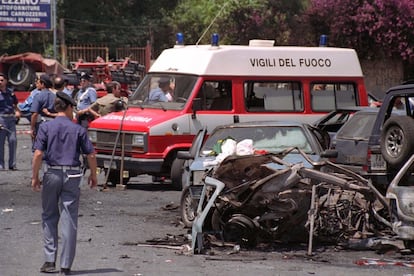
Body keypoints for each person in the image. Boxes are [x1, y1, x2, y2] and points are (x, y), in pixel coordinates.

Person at [31, 91, 97, 275]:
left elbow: (38, 154)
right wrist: (94, 175)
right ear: (68, 107)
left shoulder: (46, 127)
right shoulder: (78, 129)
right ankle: (66, 265)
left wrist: (35, 177)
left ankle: (50, 261)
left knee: (49, 216)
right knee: (69, 219)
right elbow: (90, 154)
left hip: (51, 173)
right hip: (73, 176)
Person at [0, 73, 21, 170]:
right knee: (1, 142)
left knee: (13, 140)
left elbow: (15, 105)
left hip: (11, 119)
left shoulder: (10, 93)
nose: (0, 82)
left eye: (1, 80)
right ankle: (1, 164)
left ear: (6, 81)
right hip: (1, 118)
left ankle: (12, 164)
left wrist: (17, 112)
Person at [30, 74, 56, 143]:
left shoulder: (38, 96)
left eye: (39, 82)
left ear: (43, 84)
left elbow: (34, 114)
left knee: (39, 147)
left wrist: (32, 128)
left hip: (42, 124)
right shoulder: (55, 97)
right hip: (53, 124)